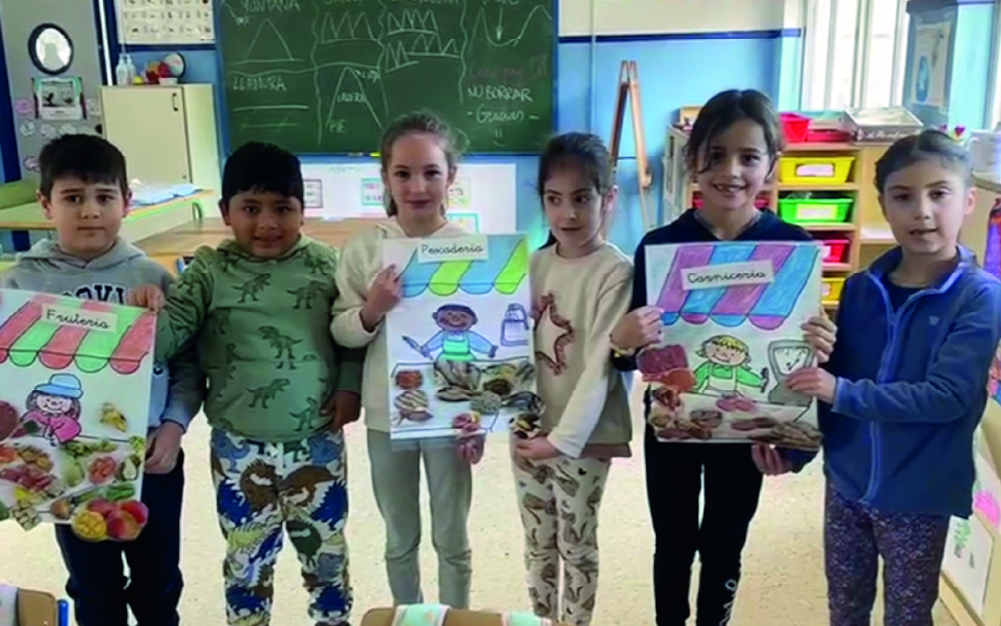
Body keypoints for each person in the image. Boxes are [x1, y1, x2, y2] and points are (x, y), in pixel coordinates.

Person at [606, 89, 836, 626]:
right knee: (673, 541)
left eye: (749, 157)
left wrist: (825, 347)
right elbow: (628, 359)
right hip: (675, 427)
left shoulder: (792, 249)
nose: (730, 171)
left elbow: (804, 361)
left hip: (748, 433)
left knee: (726, 542)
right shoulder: (661, 248)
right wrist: (623, 339)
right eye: (715, 155)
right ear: (692, 160)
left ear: (771, 164)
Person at [128, 141, 363, 626]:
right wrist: (147, 312)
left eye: (283, 209)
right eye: (250, 208)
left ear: (303, 210)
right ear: (225, 212)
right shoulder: (208, 271)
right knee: (246, 559)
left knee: (327, 555)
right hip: (238, 447)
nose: (267, 224)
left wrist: (350, 387)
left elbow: (350, 336)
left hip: (316, 442)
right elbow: (167, 342)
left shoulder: (326, 264)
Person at [786, 130, 1001, 626]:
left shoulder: (979, 297)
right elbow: (829, 385)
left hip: (916, 495)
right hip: (845, 485)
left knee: (906, 614)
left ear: (968, 201)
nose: (922, 211)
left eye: (938, 194)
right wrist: (793, 441)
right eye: (903, 197)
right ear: (882, 204)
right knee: (845, 606)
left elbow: (946, 396)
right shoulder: (862, 288)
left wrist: (839, 390)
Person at [0, 134, 202, 626]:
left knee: (158, 580)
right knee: (92, 583)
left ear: (126, 203)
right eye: (73, 198)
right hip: (63, 466)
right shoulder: (21, 285)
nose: (90, 211)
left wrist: (174, 428)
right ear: (46, 204)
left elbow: (190, 364)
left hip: (152, 458)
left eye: (104, 197)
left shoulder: (153, 278)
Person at [331, 111, 477, 608]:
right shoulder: (365, 247)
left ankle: (455, 617)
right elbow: (341, 327)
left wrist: (482, 415)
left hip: (450, 415)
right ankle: (410, 615)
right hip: (385, 415)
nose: (417, 186)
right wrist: (373, 310)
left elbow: (489, 346)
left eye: (432, 172)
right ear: (385, 179)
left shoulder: (469, 250)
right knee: (399, 535)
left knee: (453, 534)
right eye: (403, 173)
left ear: (451, 177)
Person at [510, 132, 633, 626]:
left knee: (576, 544)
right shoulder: (531, 265)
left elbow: (602, 366)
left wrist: (560, 442)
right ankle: (542, 621)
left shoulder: (615, 271)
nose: (568, 214)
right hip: (528, 431)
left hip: (583, 436)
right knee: (538, 542)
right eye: (554, 199)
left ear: (608, 198)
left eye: (582, 198)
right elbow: (508, 351)